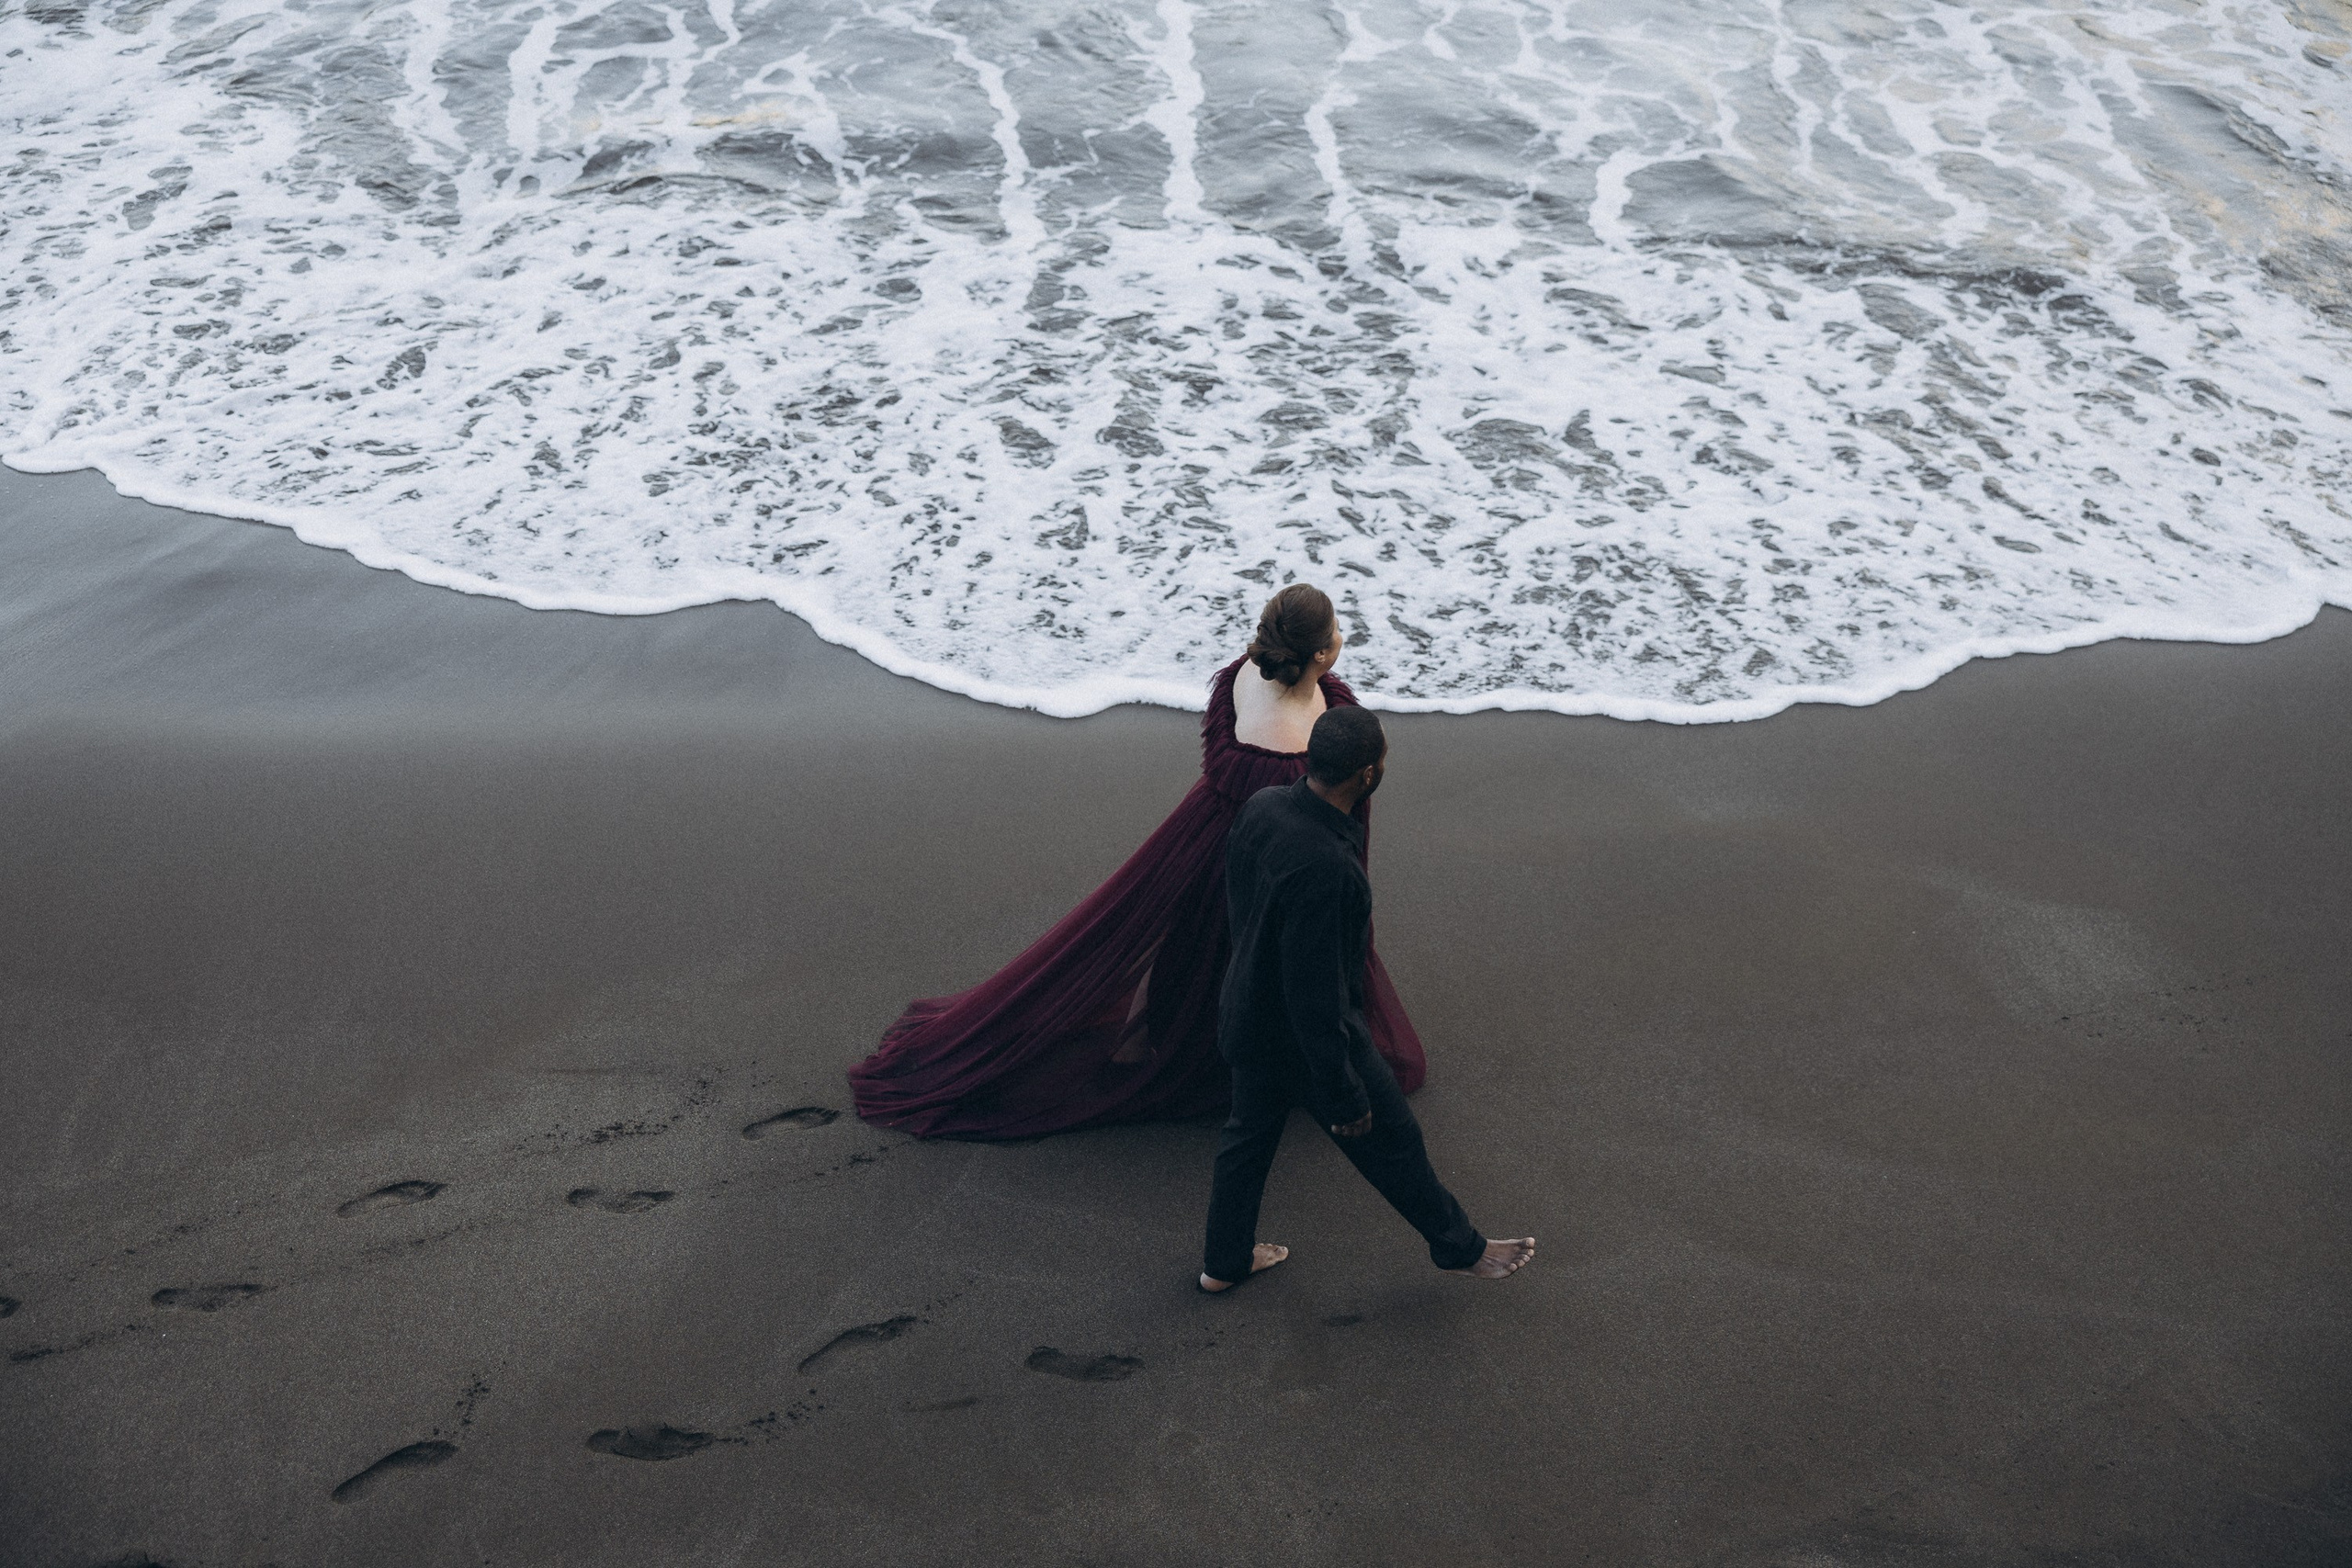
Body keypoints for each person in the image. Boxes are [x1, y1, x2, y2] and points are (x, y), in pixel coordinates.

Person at [849, 584, 1425, 1140]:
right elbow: (1311, 815)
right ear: (1321, 653)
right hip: (1263, 861)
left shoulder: (1247, 674)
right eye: (1337, 633)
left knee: (1183, 936)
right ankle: (1247, 1053)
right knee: (1243, 951)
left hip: (1205, 830)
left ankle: (1143, 1033)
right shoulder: (1302, 739)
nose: (1344, 637)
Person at [1199, 705, 1534, 1291]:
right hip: (1306, 1039)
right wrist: (1343, 1094)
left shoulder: (1263, 807)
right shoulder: (1330, 868)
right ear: (1366, 777)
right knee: (1394, 1139)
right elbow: (1315, 997)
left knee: (1246, 1141)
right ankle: (1461, 1248)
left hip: (1246, 1010)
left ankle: (1223, 1264)